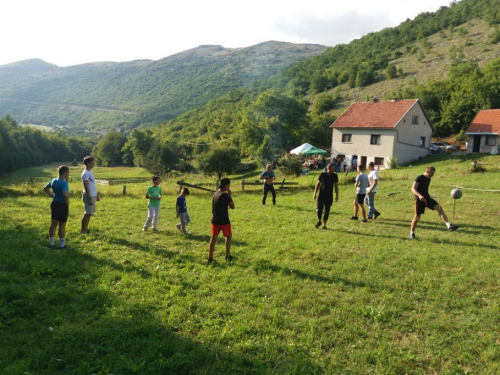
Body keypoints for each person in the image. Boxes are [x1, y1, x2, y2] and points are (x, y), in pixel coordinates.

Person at [409, 166, 459, 239]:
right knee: (417, 217)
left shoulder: (429, 179)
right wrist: (419, 196)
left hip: (427, 198)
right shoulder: (419, 177)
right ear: (427, 171)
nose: (432, 175)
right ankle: (411, 234)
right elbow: (413, 189)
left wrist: (425, 197)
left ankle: (449, 226)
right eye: (431, 173)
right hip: (419, 200)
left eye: (433, 173)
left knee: (439, 208)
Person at [208, 178, 235, 263]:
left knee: (213, 238)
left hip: (215, 219)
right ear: (226, 185)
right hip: (224, 221)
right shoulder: (224, 195)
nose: (229, 187)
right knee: (229, 236)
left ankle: (210, 258)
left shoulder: (215, 193)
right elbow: (232, 206)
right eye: (229, 185)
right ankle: (227, 255)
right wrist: (229, 195)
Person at [43, 165, 70, 249]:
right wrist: (67, 202)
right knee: (62, 224)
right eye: (68, 172)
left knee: (53, 223)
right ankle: (62, 245)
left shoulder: (54, 180)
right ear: (65, 173)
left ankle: (51, 243)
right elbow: (65, 194)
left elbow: (45, 188)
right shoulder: (64, 183)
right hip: (62, 204)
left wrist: (53, 195)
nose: (69, 174)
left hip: (54, 203)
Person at [313, 163, 339, 229]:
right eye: (332, 168)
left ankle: (324, 225)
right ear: (328, 168)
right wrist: (315, 193)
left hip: (329, 196)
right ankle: (319, 221)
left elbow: (336, 186)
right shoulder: (322, 175)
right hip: (321, 195)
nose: (333, 169)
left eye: (333, 168)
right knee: (319, 209)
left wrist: (337, 195)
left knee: (327, 210)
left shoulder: (335, 176)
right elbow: (318, 184)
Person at [81, 156, 100, 234]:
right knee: (87, 213)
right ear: (88, 163)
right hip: (88, 195)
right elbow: (86, 187)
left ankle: (86, 228)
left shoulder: (90, 173)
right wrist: (89, 198)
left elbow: (93, 185)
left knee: (89, 214)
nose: (94, 163)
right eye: (92, 162)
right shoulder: (85, 174)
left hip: (92, 195)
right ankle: (83, 230)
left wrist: (96, 195)